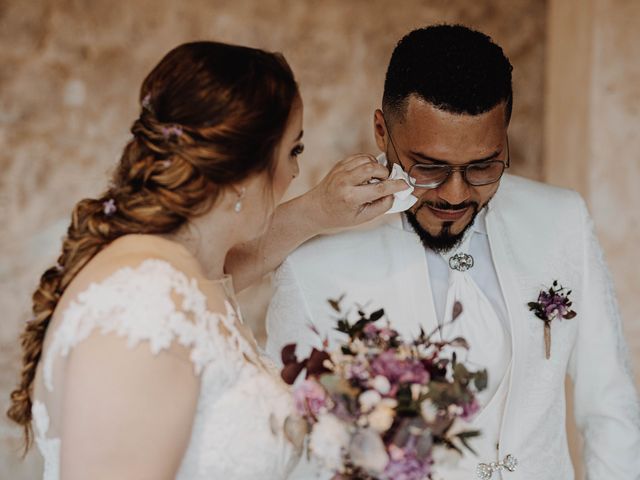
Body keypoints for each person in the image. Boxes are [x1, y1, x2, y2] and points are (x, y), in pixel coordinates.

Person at [247, 25, 640, 479]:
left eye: (482, 167)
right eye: (430, 167)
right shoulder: (314, 264)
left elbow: (610, 405)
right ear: (382, 131)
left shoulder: (561, 220)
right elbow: (301, 448)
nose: (455, 195)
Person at [6, 41, 407, 480]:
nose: (294, 173)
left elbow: (227, 271)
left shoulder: (175, 276)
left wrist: (320, 211)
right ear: (243, 169)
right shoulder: (143, 304)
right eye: (294, 150)